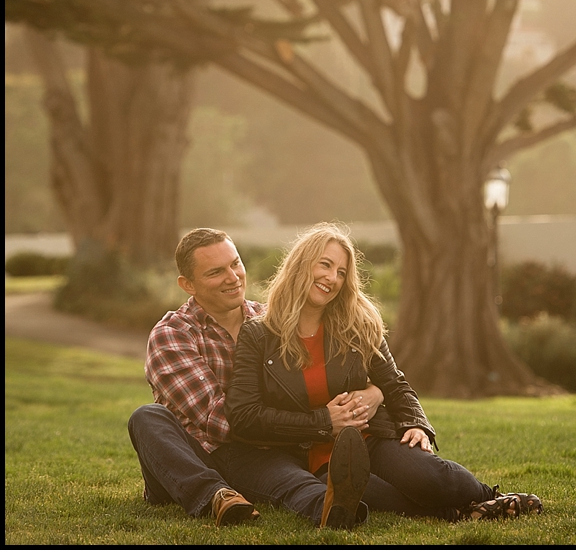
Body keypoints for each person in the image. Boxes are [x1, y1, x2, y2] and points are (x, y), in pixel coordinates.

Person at [226, 223, 543, 527]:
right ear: (301, 264)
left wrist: (416, 424)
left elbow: (394, 382)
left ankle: (490, 497)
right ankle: (460, 513)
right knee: (383, 497)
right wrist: (323, 422)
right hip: (314, 458)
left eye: (341, 272)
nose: (332, 278)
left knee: (432, 478)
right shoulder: (258, 335)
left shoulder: (357, 324)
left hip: (372, 439)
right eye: (324, 265)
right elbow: (244, 415)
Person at [128, 227, 387, 527]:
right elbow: (220, 421)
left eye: (235, 263)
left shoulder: (271, 320)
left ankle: (337, 510)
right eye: (215, 272)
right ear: (188, 284)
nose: (233, 277)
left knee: (294, 481)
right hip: (198, 455)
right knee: (147, 417)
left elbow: (319, 382)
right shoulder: (172, 335)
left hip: (267, 451)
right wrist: (314, 423)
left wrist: (374, 391)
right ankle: (216, 495)